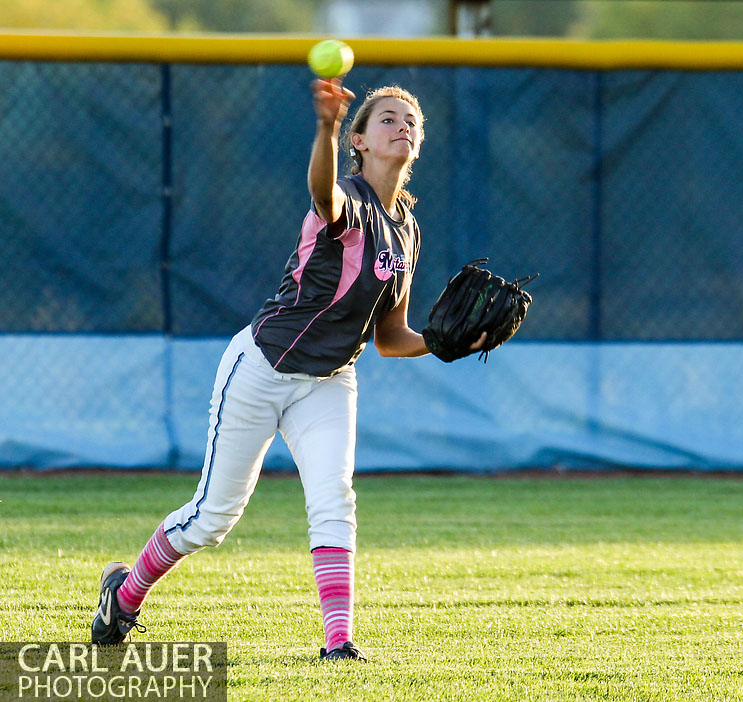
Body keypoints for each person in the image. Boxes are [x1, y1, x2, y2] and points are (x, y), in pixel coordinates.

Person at [90, 77, 484, 661]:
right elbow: (321, 191)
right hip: (262, 367)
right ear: (360, 139)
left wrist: (442, 342)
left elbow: (390, 337)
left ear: (418, 145)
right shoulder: (346, 197)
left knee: (334, 500)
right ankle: (125, 594)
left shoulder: (407, 228)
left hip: (329, 381)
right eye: (388, 120)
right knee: (211, 519)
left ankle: (339, 641)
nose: (402, 127)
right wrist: (323, 126)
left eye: (411, 123)